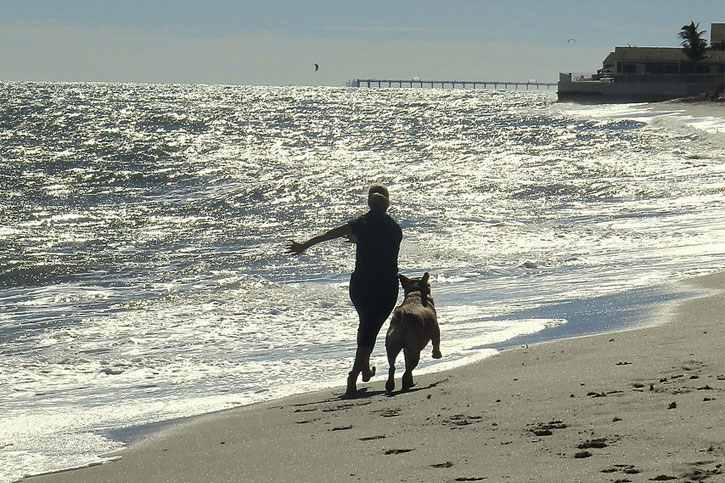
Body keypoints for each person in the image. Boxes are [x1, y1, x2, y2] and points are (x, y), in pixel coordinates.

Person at [286, 184, 402, 397]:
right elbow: (381, 246)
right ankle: (353, 376)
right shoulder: (395, 229)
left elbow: (328, 235)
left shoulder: (360, 224)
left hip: (361, 285)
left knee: (366, 325)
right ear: (388, 203)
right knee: (370, 328)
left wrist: (303, 245)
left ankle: (365, 369)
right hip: (385, 285)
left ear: (369, 203)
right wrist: (359, 239)